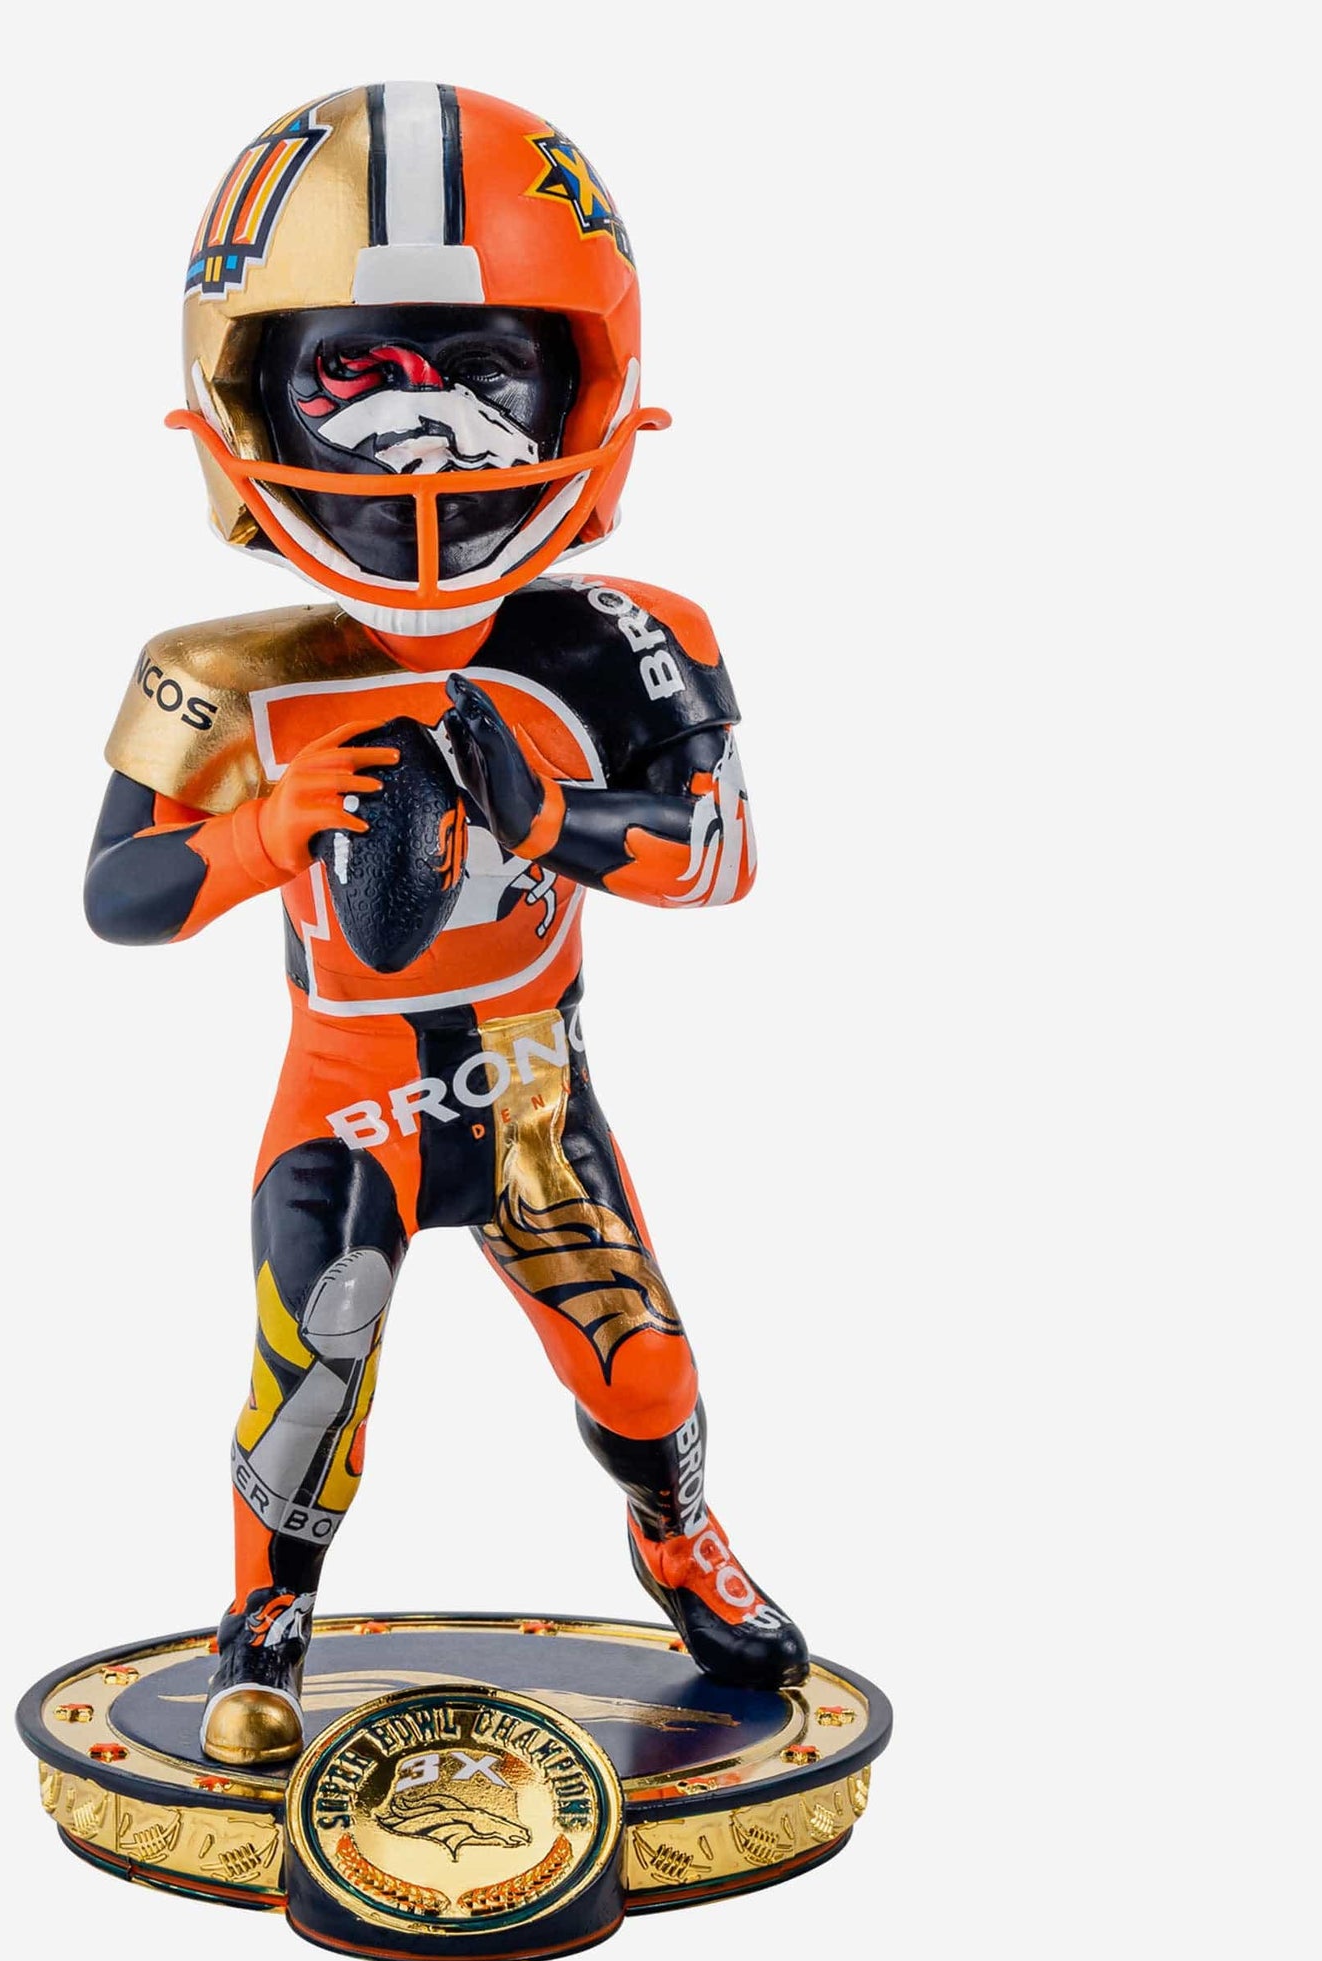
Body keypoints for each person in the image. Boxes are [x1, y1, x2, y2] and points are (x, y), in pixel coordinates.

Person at [84, 83, 808, 1766]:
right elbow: (117, 898)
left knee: (644, 1372)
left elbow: (723, 857)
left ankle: (676, 1537)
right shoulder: (222, 671)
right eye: (356, 373)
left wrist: (548, 822)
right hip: (350, 1095)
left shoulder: (627, 636)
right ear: (249, 388)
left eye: (480, 370)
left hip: (534, 1084)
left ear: (581, 381)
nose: (424, 435)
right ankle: (263, 1624)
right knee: (313, 1376)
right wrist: (264, 831)